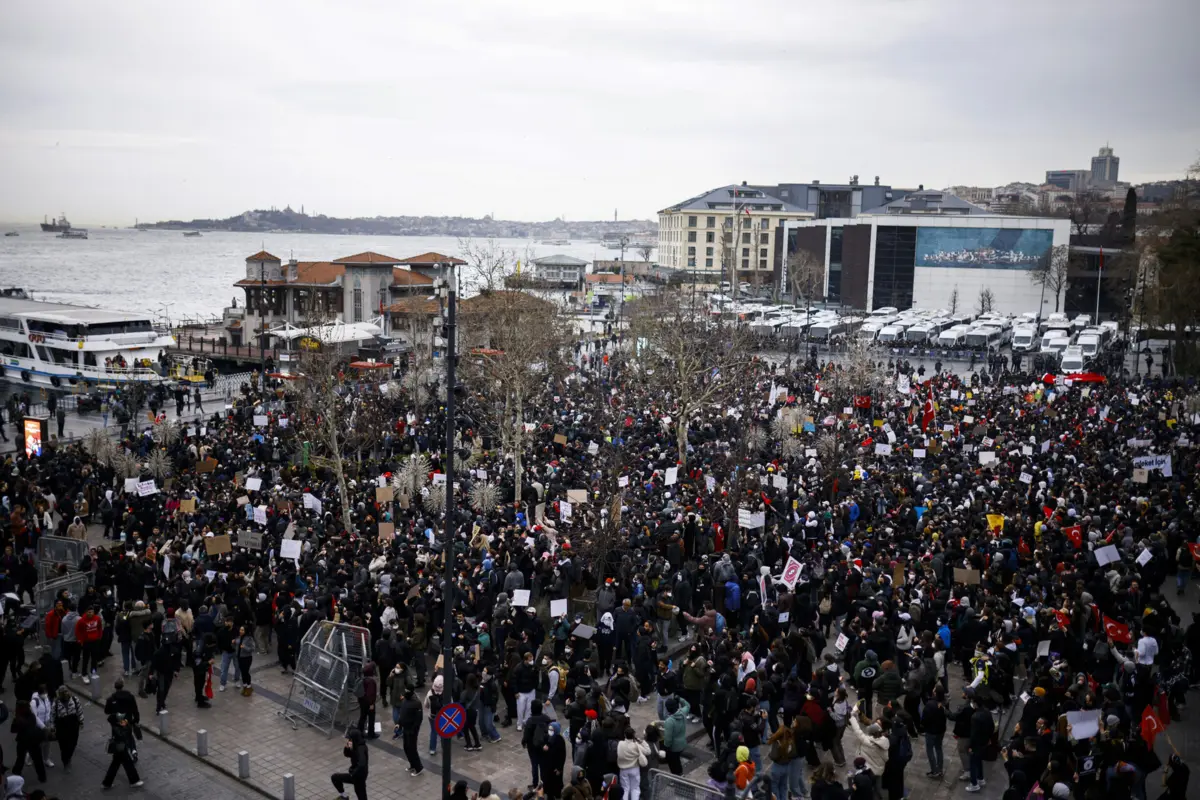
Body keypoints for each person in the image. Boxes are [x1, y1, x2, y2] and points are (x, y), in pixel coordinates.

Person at [102, 711, 143, 790]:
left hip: (120, 748)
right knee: (128, 764)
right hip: (120, 748)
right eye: (121, 719)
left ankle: (107, 783)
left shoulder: (118, 725)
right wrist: (126, 726)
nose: (123, 719)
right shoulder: (117, 727)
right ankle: (134, 781)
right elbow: (123, 735)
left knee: (115, 765)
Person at [10, 700, 47, 783]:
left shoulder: (21, 718)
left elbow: (13, 730)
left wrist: (16, 720)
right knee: (37, 759)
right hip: (31, 741)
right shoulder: (31, 716)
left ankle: (17, 772)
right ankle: (42, 777)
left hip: (25, 741)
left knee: (22, 758)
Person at [51, 684, 84, 772]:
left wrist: (81, 721)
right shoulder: (56, 703)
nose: (66, 693)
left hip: (73, 725)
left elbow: (79, 711)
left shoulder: (74, 699)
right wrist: (53, 728)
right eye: (63, 692)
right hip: (62, 727)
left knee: (73, 743)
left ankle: (68, 757)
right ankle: (66, 762)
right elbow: (53, 716)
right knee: (64, 746)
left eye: (66, 691)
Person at [332, 727, 369, 800]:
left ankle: (344, 797)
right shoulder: (356, 745)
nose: (349, 740)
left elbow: (362, 764)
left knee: (361, 795)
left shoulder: (361, 749)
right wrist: (347, 748)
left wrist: (354, 774)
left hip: (359, 776)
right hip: (356, 774)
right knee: (335, 778)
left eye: (350, 739)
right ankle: (344, 796)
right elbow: (347, 755)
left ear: (354, 738)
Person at [615, 727, 649, 800]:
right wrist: (642, 742)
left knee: (625, 789)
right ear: (634, 735)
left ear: (624, 735)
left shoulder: (620, 744)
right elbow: (648, 751)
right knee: (635, 789)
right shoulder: (636, 745)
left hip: (623, 770)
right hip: (634, 769)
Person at [397, 688, 424, 775]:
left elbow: (419, 718)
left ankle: (418, 767)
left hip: (412, 730)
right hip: (405, 728)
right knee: (406, 747)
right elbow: (402, 713)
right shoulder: (405, 701)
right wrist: (399, 724)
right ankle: (412, 764)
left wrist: (414, 729)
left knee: (412, 749)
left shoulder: (417, 703)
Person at [236, 624, 255, 696]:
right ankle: (244, 687)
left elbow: (252, 649)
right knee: (242, 673)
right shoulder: (239, 637)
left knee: (246, 672)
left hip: (247, 658)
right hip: (239, 657)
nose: (240, 631)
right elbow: (237, 646)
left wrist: (244, 647)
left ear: (246, 631)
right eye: (240, 629)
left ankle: (249, 687)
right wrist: (234, 642)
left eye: (242, 630)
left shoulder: (249, 638)